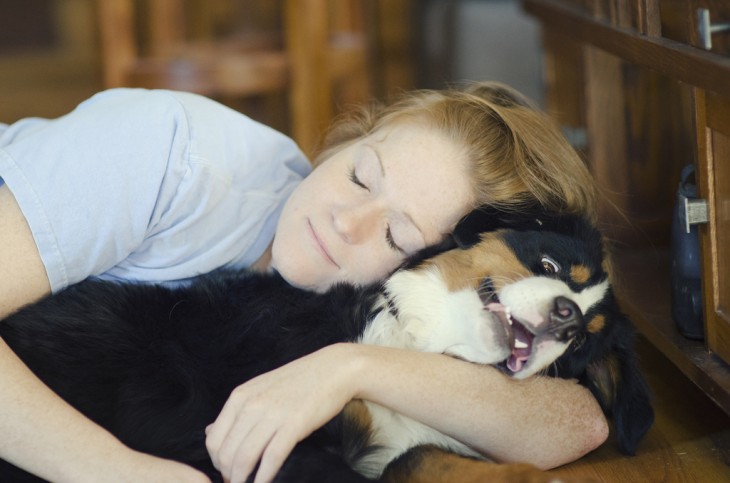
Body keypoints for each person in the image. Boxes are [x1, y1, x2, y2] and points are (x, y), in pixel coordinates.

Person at [0, 82, 608, 483]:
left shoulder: (365, 312)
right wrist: (118, 472)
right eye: (361, 176)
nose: (348, 221)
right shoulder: (170, 152)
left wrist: (350, 367)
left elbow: (580, 424)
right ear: (350, 137)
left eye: (395, 237)